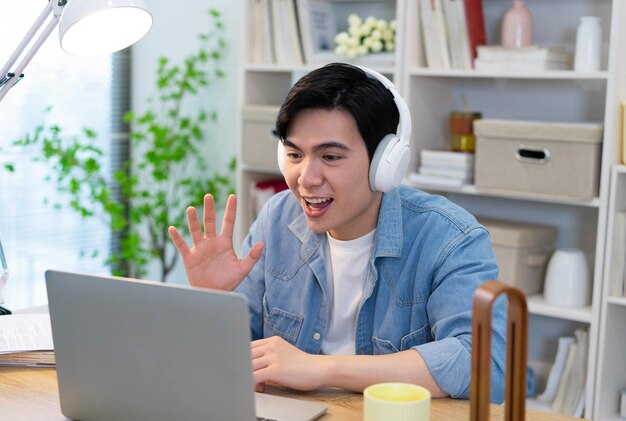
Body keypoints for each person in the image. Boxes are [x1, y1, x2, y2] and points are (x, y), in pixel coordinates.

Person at [168, 62, 507, 403]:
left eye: (329, 156)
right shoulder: (277, 218)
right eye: (294, 154)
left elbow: (484, 366)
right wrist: (212, 304)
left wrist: (321, 368)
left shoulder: (450, 237)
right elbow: (237, 361)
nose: (306, 178)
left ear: (385, 164)